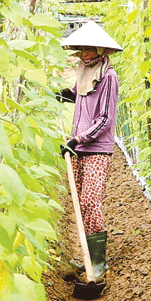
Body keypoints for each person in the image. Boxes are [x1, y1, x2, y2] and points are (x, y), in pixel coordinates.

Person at [56, 21, 123, 280]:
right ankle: (85, 252)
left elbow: (105, 118)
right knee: (81, 203)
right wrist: (64, 95)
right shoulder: (84, 71)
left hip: (96, 148)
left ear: (100, 50)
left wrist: (79, 139)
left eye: (88, 48)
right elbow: (79, 94)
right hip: (79, 145)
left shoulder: (108, 77)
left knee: (90, 201)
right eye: (80, 49)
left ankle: (98, 261)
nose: (83, 53)